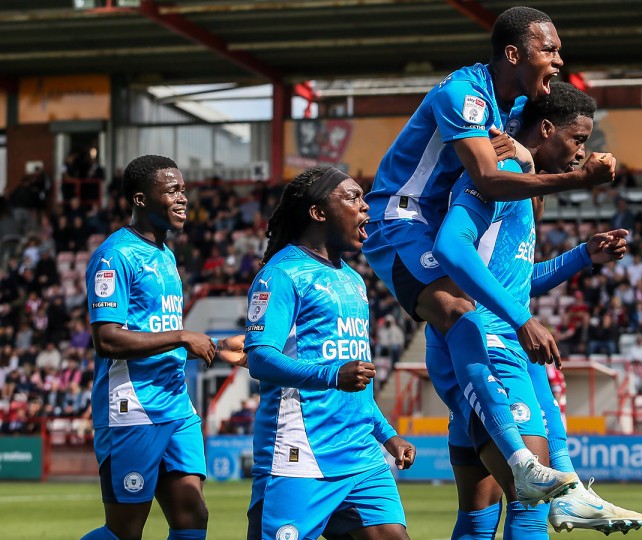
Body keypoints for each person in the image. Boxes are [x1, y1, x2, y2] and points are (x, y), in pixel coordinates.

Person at [363, 5, 614, 501]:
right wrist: (576, 180)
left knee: (473, 308)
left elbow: (532, 147)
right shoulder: (464, 94)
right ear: (514, 53)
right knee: (460, 309)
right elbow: (486, 178)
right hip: (401, 219)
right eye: (550, 49)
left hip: (434, 221)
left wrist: (541, 154)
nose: (560, 60)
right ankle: (522, 461)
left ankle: (547, 468)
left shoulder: (512, 108)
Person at [431, 82, 642, 536]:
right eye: (577, 140)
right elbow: (452, 246)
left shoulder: (524, 188)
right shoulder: (498, 169)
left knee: (479, 509)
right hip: (484, 343)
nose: (581, 154)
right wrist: (520, 319)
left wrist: (583, 255)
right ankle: (572, 502)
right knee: (533, 497)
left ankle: (572, 500)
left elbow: (516, 283)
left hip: (492, 342)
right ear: (546, 129)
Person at [243, 167, 416, 540]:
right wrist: (331, 374)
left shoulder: (352, 279)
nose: (366, 207)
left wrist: (386, 435)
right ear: (319, 213)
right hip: (301, 452)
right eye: (353, 198)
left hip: (360, 456)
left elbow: (359, 383)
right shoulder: (282, 275)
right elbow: (258, 358)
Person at [81, 155, 245, 540]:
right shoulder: (115, 255)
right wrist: (182, 336)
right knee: (125, 530)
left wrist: (215, 345)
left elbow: (158, 332)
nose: (182, 198)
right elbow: (106, 339)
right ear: (140, 199)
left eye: (184, 190)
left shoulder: (166, 256)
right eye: (172, 190)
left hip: (175, 403)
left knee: (192, 514)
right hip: (132, 407)